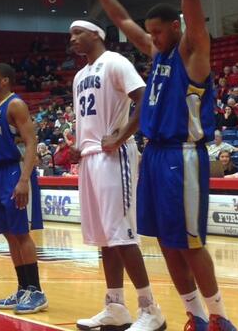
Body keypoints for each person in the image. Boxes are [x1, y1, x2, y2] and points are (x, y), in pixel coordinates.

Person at [78, 0, 236, 331]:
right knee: (166, 243)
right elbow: (119, 17)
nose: (153, 37)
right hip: (154, 155)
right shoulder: (156, 51)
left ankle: (219, 316)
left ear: (178, 27)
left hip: (183, 154)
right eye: (151, 32)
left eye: (160, 31)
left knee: (189, 242)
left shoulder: (193, 53)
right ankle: (195, 315)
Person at [67, 20, 165, 331]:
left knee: (122, 235)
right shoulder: (80, 75)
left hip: (114, 156)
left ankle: (151, 309)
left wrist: (121, 136)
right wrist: (78, 146)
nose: (72, 39)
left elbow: (144, 98)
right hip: (90, 158)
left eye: (77, 33)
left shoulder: (116, 62)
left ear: (96, 35)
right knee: (105, 239)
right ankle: (116, 306)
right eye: (70, 35)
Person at [0, 64, 47, 315]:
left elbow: (31, 141)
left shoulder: (15, 105)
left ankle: (36, 291)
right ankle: (23, 287)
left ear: (5, 81)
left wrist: (24, 179)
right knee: (10, 235)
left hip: (16, 170)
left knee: (22, 233)